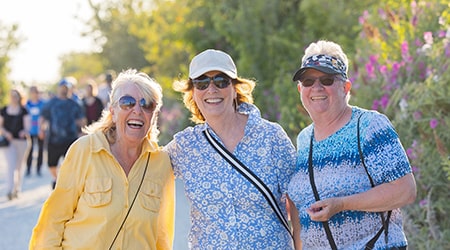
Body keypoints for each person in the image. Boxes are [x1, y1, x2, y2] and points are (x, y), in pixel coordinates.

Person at [287, 40, 417, 249]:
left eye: (327, 79)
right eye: (308, 81)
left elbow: (405, 190)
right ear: (300, 89)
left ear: (345, 87)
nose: (317, 87)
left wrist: (342, 204)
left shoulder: (369, 126)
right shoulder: (304, 139)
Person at [164, 49, 296, 249]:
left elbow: (299, 203)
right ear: (193, 93)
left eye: (221, 80)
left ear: (235, 88)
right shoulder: (185, 146)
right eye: (201, 83)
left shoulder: (271, 137)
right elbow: (142, 168)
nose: (211, 89)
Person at [29, 68, 175, 249]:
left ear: (154, 116)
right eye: (127, 103)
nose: (137, 110)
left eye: (147, 105)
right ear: (112, 112)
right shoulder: (84, 151)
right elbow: (53, 221)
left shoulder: (161, 163)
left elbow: (162, 236)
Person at [39, 78, 86, 189]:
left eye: (66, 88)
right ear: (58, 88)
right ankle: (57, 178)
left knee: (70, 164)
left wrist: (82, 132)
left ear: (70, 89)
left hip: (70, 139)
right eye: (62, 88)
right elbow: (43, 117)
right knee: (51, 164)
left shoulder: (75, 104)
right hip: (54, 139)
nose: (64, 90)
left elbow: (82, 120)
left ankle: (64, 183)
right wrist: (41, 130)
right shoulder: (51, 103)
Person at [0, 89, 31, 200]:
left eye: (16, 96)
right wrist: (6, 133)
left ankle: (17, 188)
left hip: (21, 142)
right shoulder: (4, 110)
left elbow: (28, 127)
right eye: (12, 95)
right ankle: (9, 190)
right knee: (11, 166)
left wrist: (24, 131)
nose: (13, 98)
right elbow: (0, 126)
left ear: (19, 97)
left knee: (18, 167)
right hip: (8, 142)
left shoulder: (24, 110)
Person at [25, 86, 45, 177]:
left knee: (40, 150)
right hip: (30, 131)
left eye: (36, 92)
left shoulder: (42, 104)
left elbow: (44, 118)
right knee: (30, 149)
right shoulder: (27, 104)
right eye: (32, 92)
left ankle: (38, 168)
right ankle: (28, 168)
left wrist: (42, 129)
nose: (34, 94)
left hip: (40, 130)